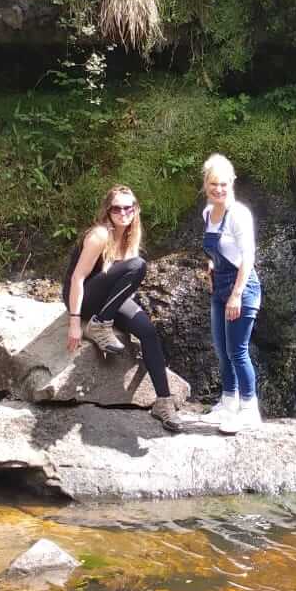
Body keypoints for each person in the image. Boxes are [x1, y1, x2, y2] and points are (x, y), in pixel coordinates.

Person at [65, 184, 183, 431]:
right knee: (138, 265)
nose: (122, 213)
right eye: (116, 208)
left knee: (148, 331)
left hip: (105, 299)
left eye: (127, 207)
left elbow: (121, 283)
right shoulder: (99, 235)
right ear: (107, 211)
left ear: (135, 209)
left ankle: (163, 401)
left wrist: (127, 308)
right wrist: (75, 322)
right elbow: (77, 279)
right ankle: (99, 325)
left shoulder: (130, 236)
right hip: (84, 296)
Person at [201, 153, 262, 433]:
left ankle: (249, 410)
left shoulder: (239, 214)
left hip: (243, 287)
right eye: (214, 184)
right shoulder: (207, 213)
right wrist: (211, 266)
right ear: (206, 184)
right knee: (221, 351)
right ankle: (227, 404)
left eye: (224, 184)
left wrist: (236, 294)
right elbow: (219, 250)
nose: (219, 189)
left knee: (238, 351)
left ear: (232, 183)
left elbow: (247, 257)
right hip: (219, 287)